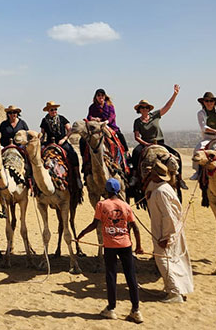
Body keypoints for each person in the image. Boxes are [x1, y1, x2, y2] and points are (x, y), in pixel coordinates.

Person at [76, 178, 144, 324]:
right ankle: (136, 310)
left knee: (111, 277)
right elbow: (135, 228)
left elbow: (95, 224)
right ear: (118, 190)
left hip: (110, 246)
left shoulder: (101, 204)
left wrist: (81, 234)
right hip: (126, 245)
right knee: (131, 277)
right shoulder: (125, 206)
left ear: (106, 191)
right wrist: (139, 246)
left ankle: (111, 308)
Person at [145, 162, 194, 303]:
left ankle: (175, 293)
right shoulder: (161, 188)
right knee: (170, 259)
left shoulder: (161, 192)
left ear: (155, 175)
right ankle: (174, 289)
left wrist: (166, 236)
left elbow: (168, 216)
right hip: (164, 230)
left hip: (165, 232)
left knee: (163, 259)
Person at [130, 85, 187, 189]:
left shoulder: (155, 115)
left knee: (176, 154)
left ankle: (180, 178)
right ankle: (134, 177)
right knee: (135, 153)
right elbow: (137, 136)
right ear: (139, 109)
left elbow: (167, 106)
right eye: (142, 107)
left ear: (149, 108)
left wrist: (175, 94)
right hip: (145, 143)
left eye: (146, 107)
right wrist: (146, 144)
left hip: (159, 142)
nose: (145, 109)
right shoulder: (137, 122)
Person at [81, 89, 128, 178]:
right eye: (98, 95)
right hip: (96, 127)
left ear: (105, 96)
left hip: (109, 126)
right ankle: (85, 161)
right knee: (83, 140)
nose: (100, 97)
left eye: (102, 95)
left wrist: (106, 121)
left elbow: (112, 116)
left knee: (120, 136)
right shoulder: (92, 107)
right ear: (96, 97)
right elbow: (89, 116)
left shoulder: (110, 106)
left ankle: (126, 157)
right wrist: (94, 119)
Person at [39, 101, 80, 187]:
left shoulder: (61, 118)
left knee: (73, 155)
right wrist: (40, 139)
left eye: (55, 109)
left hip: (61, 142)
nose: (54, 111)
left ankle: (77, 177)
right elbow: (42, 133)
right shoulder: (44, 120)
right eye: (52, 110)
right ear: (48, 111)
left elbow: (70, 129)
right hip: (49, 142)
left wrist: (64, 138)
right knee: (38, 157)